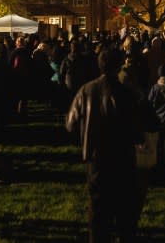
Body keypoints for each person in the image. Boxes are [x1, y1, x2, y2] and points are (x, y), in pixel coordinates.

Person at [66, 49, 143, 243]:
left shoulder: (86, 90)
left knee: (98, 208)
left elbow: (71, 124)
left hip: (96, 157)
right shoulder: (126, 92)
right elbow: (145, 122)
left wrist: (86, 135)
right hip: (122, 156)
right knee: (124, 210)